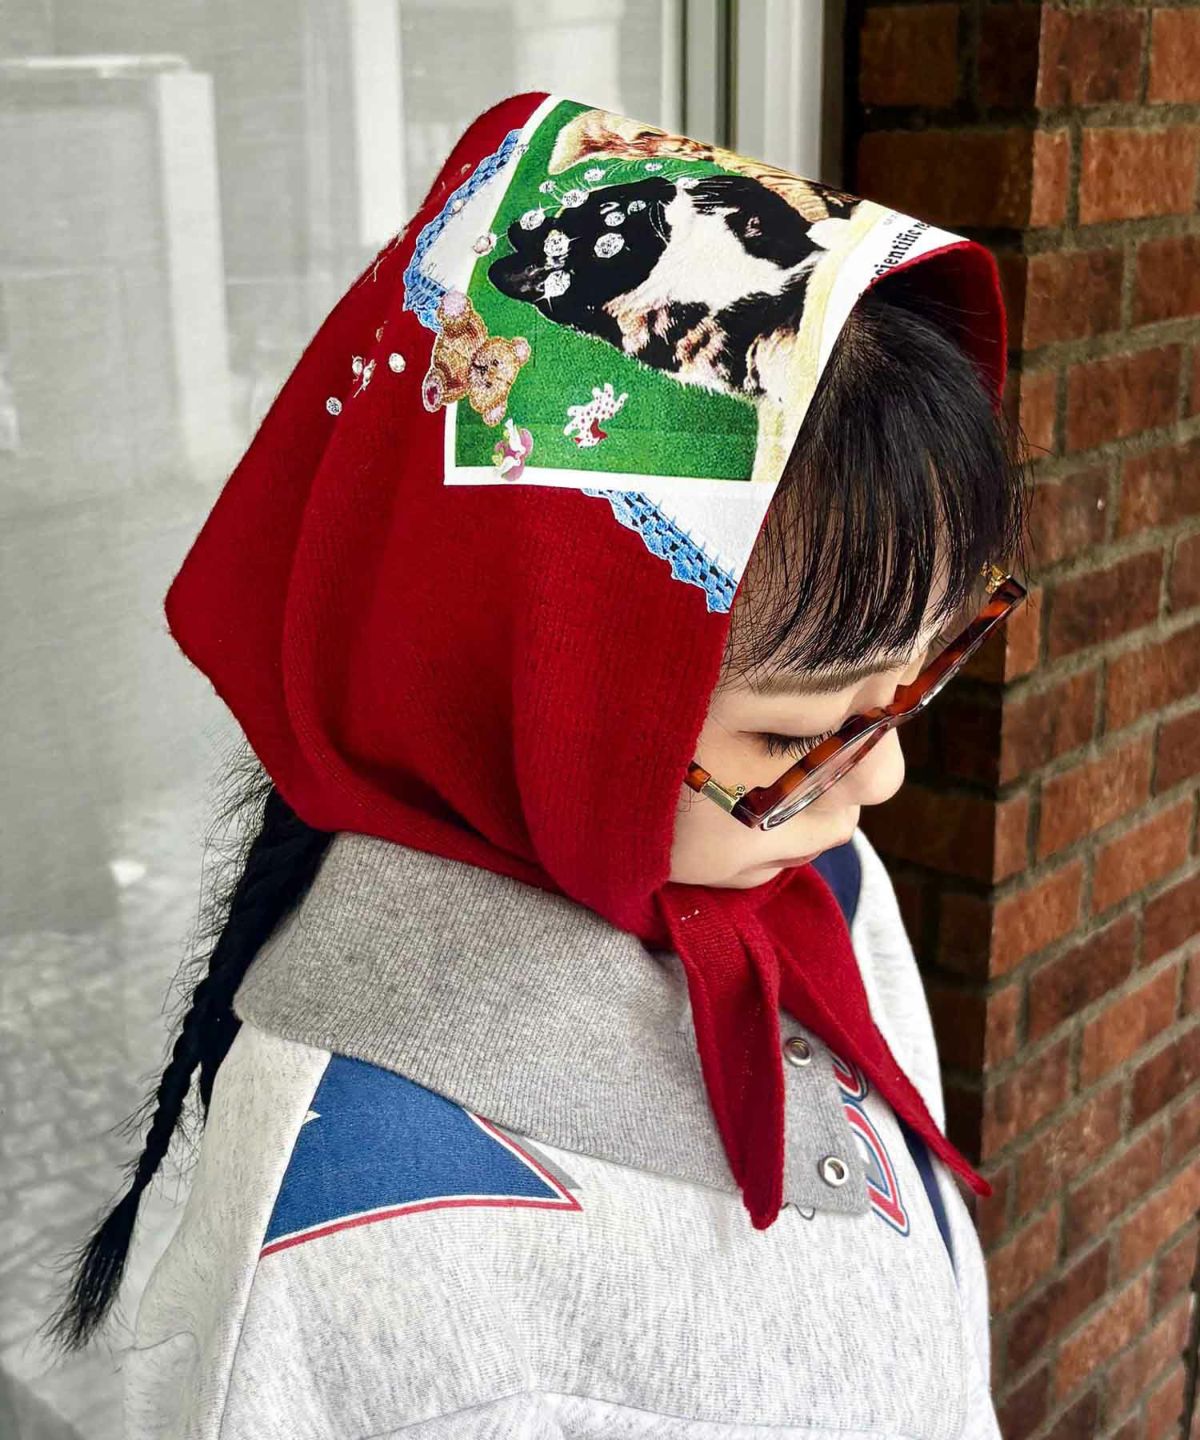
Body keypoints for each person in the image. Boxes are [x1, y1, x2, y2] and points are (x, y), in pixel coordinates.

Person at [49, 91, 1031, 1437]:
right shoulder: (352, 1236)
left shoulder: (807, 870)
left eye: (914, 679)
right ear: (516, 680)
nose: (883, 781)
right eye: (795, 734)